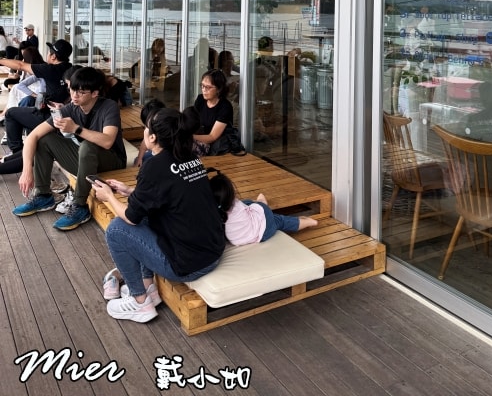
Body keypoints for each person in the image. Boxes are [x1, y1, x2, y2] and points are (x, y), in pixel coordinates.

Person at [92, 107, 225, 323]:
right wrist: (129, 191)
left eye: (146, 128)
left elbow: (130, 217)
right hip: (211, 251)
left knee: (117, 229)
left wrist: (109, 196)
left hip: (188, 265)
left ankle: (140, 301)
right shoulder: (189, 157)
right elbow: (170, 194)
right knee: (147, 214)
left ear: (152, 137)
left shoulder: (154, 166)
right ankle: (148, 288)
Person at [12, 66, 126, 231]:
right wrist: (26, 170)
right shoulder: (70, 108)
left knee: (87, 146)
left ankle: (80, 206)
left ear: (95, 93)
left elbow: (108, 141)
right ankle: (43, 195)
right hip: (87, 160)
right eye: (72, 89)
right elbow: (33, 136)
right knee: (44, 139)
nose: (74, 95)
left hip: (112, 160)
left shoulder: (108, 107)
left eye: (81, 92)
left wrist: (76, 129)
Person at [209, 171, 317, 246]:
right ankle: (309, 222)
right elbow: (248, 208)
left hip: (241, 240)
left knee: (246, 203)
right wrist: (259, 205)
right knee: (280, 220)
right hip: (264, 231)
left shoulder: (213, 213)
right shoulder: (237, 205)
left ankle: (261, 203)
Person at [2, 40, 72, 153]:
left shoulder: (50, 69)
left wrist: (1, 60)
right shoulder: (71, 69)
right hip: (67, 116)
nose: (48, 55)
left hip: (51, 118)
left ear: (53, 56)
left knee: (10, 113)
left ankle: (17, 152)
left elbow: (20, 65)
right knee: (29, 105)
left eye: (49, 52)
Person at [190, 69, 234, 155]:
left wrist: (189, 138)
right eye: (202, 86)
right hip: (199, 139)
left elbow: (212, 137)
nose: (204, 90)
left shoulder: (225, 107)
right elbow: (192, 120)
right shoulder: (200, 99)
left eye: (208, 87)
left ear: (219, 89)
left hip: (216, 147)